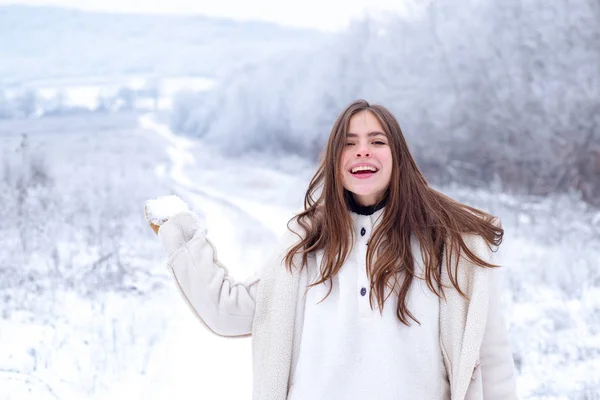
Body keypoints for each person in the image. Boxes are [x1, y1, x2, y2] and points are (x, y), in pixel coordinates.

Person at [151, 99, 518, 400]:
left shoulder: (450, 246)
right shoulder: (307, 243)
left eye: (377, 141)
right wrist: (179, 232)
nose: (362, 152)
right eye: (348, 142)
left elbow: (491, 358)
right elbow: (228, 312)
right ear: (334, 158)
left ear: (398, 156)